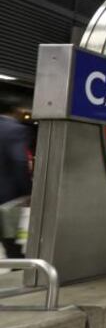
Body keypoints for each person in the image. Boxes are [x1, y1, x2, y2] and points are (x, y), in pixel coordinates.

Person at [0, 98, 30, 259]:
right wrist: (27, 191)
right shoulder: (14, 129)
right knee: (14, 248)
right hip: (8, 198)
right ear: (14, 110)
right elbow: (20, 160)